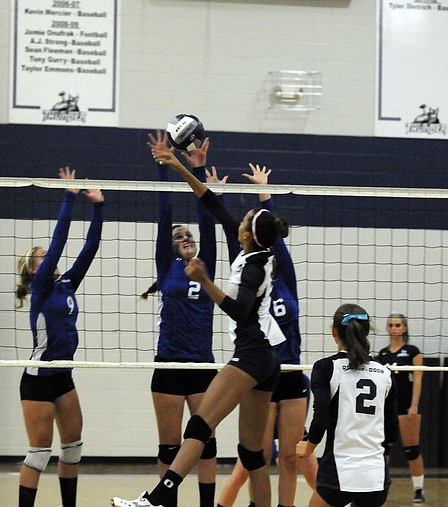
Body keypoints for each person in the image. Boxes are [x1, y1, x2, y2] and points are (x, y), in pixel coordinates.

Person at [112, 143, 289, 507]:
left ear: (247, 234)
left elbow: (241, 312)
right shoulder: (248, 249)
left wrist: (206, 282)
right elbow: (210, 201)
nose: (236, 220)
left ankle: (158, 498)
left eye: (243, 221)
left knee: (200, 426)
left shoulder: (255, 266)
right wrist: (179, 165)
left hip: (253, 354)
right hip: (267, 358)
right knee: (252, 453)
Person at [140, 130, 236, 507]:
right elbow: (165, 215)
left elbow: (208, 220)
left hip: (200, 365)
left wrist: (195, 168)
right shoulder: (167, 270)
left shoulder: (205, 266)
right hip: (168, 363)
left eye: (188, 235)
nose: (185, 237)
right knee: (169, 445)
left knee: (205, 441)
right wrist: (164, 167)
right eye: (178, 236)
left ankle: (207, 504)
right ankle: (166, 504)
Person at [217, 164, 318, 507]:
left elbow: (271, 233)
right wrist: (220, 196)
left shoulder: (284, 276)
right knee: (256, 456)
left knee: (289, 457)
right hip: (261, 372)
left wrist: (265, 192)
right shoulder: (250, 273)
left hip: (289, 374)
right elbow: (239, 233)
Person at [14, 166, 104, 507]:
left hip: (63, 376)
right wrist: (68, 198)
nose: (50, 259)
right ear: (34, 269)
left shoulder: (66, 283)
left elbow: (89, 248)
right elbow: (58, 243)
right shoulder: (39, 288)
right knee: (39, 454)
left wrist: (98, 207)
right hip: (37, 379)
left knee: (73, 449)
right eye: (42, 259)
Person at [297, 304, 399, 507]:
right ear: (367, 331)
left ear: (334, 332)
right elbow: (392, 432)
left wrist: (308, 446)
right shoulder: (384, 373)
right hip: (376, 476)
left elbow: (321, 417)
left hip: (339, 471)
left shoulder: (326, 367)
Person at [376, 313, 426, 503]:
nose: (394, 328)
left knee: (411, 449)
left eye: (398, 325)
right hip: (386, 407)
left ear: (404, 328)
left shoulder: (413, 351)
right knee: (383, 449)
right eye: (391, 325)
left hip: (406, 406)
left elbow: (418, 380)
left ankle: (419, 488)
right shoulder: (382, 354)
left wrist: (414, 406)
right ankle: (381, 484)